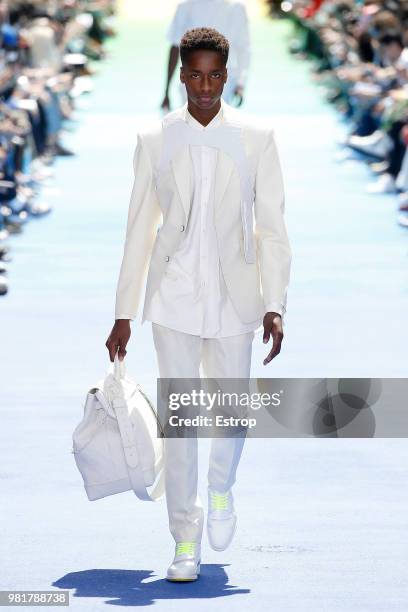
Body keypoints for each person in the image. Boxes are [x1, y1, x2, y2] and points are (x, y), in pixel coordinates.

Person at [106, 27, 292, 582]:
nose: (205, 86)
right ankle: (185, 540)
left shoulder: (257, 137)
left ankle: (220, 489)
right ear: (181, 74)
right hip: (174, 298)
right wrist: (123, 310)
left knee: (232, 414)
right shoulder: (155, 138)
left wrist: (275, 303)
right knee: (181, 423)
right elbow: (139, 228)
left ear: (227, 75)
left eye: (215, 75)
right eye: (195, 75)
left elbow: (273, 229)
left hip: (237, 298)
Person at [161, 0, 250, 110]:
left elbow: (243, 50)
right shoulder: (184, 7)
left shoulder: (236, 8)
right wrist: (166, 91)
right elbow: (175, 48)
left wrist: (240, 84)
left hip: (223, 85)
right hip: (193, 84)